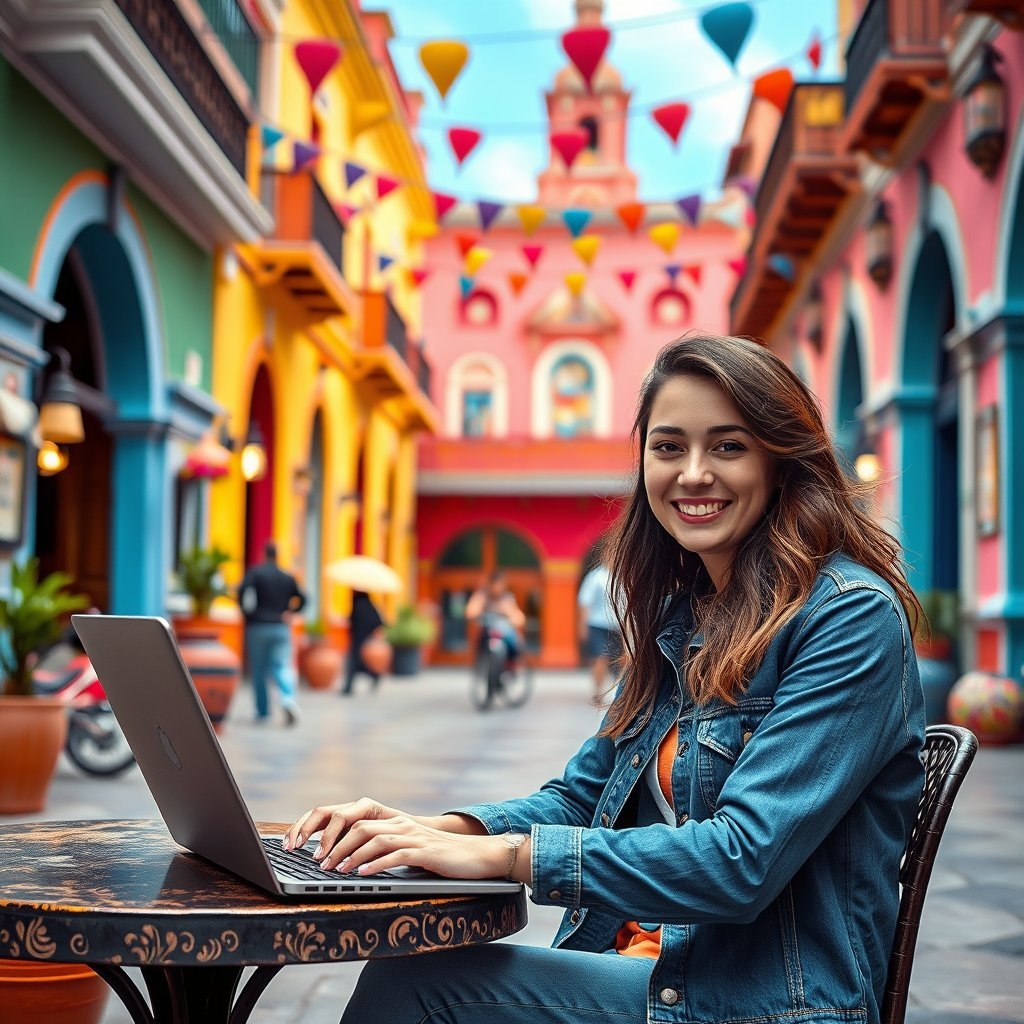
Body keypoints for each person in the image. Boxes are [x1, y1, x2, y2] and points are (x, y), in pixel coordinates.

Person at [284, 333, 927, 1024]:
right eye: (669, 446)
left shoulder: (848, 619)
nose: (694, 473)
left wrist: (506, 858)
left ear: (781, 463)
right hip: (647, 969)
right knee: (413, 974)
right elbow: (585, 795)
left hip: (755, 1003)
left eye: (729, 446)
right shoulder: (685, 618)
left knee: (412, 987)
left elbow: (741, 861)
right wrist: (428, 830)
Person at [238, 540, 305, 726]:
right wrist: (292, 612)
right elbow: (303, 598)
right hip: (280, 626)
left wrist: (247, 613)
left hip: (257, 626)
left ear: (264, 554)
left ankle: (263, 711)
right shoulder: (287, 577)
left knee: (259, 670)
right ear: (277, 555)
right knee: (281, 666)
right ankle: (287, 699)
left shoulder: (256, 573)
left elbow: (242, 590)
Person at [577, 560, 623, 700]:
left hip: (616, 626)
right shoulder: (595, 576)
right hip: (597, 624)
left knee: (619, 660)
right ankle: (598, 691)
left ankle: (622, 694)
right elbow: (585, 602)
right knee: (600, 658)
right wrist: (582, 625)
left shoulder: (622, 576)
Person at [464, 569, 526, 666]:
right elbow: (471, 611)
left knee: (515, 641)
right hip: (487, 631)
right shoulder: (482, 596)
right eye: (496, 584)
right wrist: (477, 612)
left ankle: (511, 662)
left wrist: (510, 615)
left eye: (501, 584)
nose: (498, 587)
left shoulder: (507, 598)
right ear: (490, 584)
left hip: (504, 632)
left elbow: (519, 617)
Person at [342, 590, 386, 696]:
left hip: (357, 640)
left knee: (354, 664)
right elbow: (379, 622)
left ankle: (348, 687)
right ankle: (374, 676)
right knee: (359, 664)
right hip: (367, 640)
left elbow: (352, 622)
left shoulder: (357, 605)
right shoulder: (371, 606)